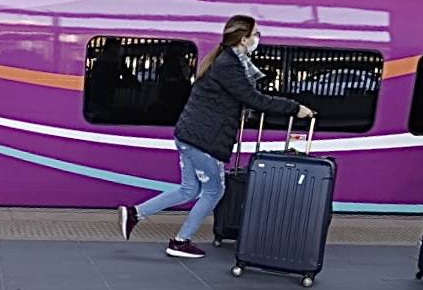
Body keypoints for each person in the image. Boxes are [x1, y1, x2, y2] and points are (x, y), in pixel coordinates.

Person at [118, 15, 312, 258]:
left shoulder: (224, 60)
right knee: (214, 192)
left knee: (189, 189)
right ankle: (180, 242)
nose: (258, 39)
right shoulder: (230, 66)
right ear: (243, 39)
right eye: (256, 34)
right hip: (204, 141)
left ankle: (135, 213)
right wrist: (295, 108)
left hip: (190, 136)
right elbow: (254, 99)